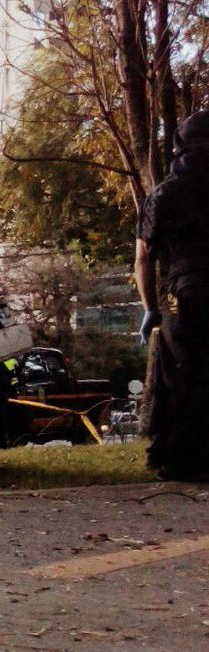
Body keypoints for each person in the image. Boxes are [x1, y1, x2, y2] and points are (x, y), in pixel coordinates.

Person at [135, 110, 209, 481]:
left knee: (182, 371)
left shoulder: (163, 194)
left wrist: (150, 308)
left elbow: (143, 257)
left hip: (185, 292)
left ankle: (179, 459)